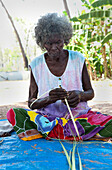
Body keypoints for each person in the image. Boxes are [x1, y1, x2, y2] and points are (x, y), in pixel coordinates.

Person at [7, 13, 112, 142]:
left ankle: (55, 133)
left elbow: (90, 92)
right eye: (48, 43)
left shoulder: (78, 59)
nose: (54, 47)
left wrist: (79, 96)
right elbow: (32, 103)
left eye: (58, 42)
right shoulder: (36, 65)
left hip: (78, 117)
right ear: (42, 43)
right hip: (47, 119)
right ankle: (72, 133)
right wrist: (49, 99)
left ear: (65, 39)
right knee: (14, 113)